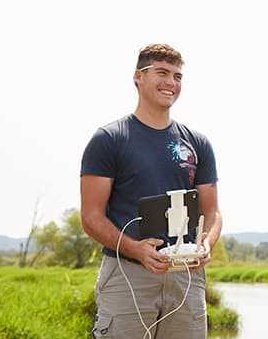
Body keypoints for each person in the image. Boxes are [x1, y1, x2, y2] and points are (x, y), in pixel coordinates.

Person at [80, 44, 221, 339]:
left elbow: (212, 212)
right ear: (138, 77)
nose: (171, 83)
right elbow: (91, 217)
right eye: (162, 73)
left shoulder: (198, 142)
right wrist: (136, 249)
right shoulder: (109, 140)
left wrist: (207, 243)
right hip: (127, 274)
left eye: (177, 76)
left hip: (186, 276)